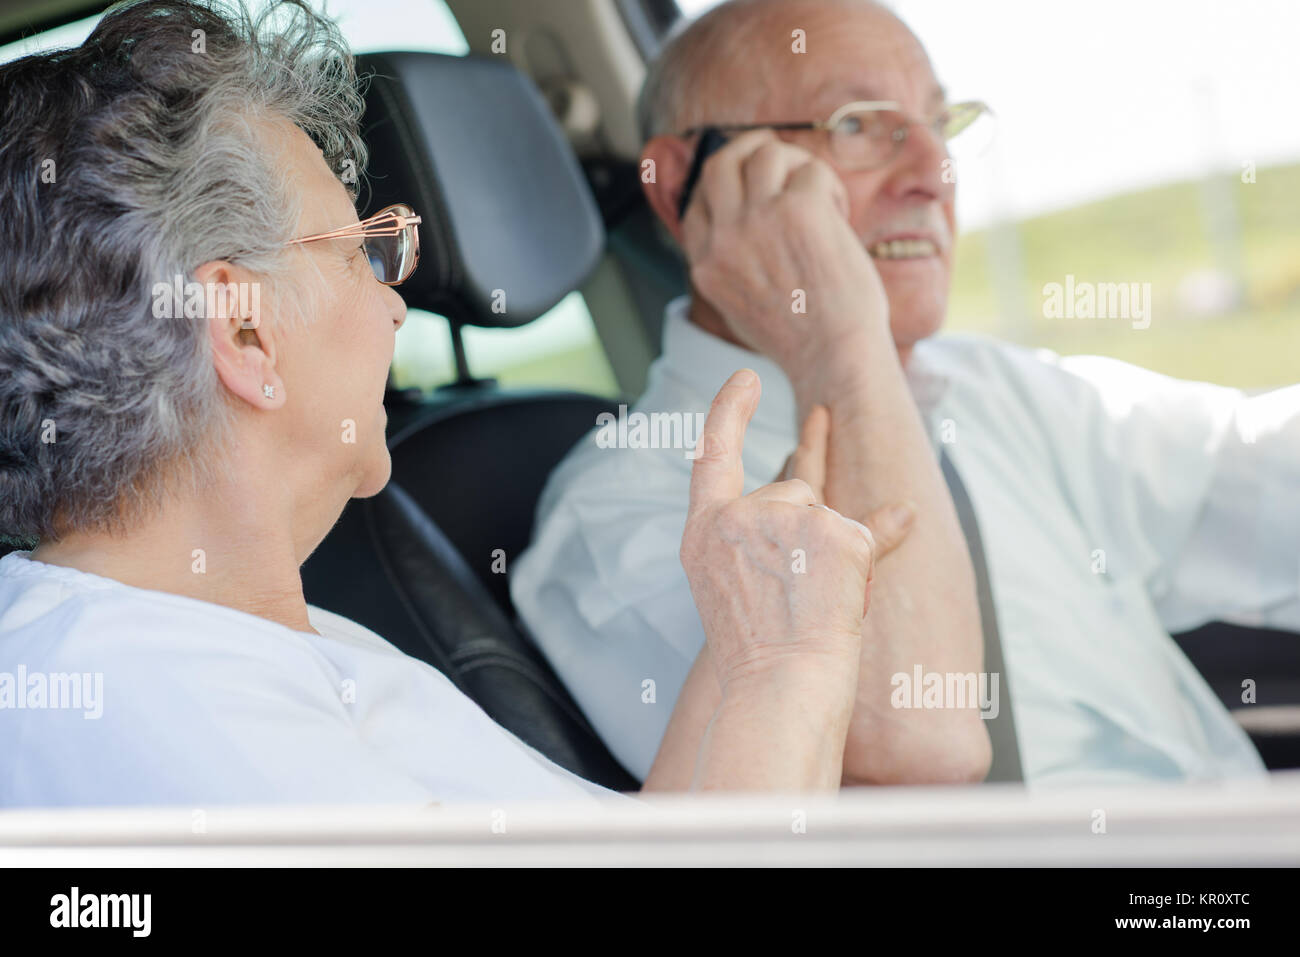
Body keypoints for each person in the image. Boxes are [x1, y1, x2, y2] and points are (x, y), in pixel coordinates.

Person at [0, 0, 916, 807]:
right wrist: (784, 666)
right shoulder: (134, 689)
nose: (394, 298)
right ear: (246, 335)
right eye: (363, 250)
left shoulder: (256, 638)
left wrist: (751, 629)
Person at [512, 0, 1300, 788]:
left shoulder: (998, 391)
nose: (936, 173)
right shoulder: (622, 522)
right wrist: (840, 339)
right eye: (856, 124)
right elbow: (904, 754)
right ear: (685, 184)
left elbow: (1259, 471)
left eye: (938, 124)